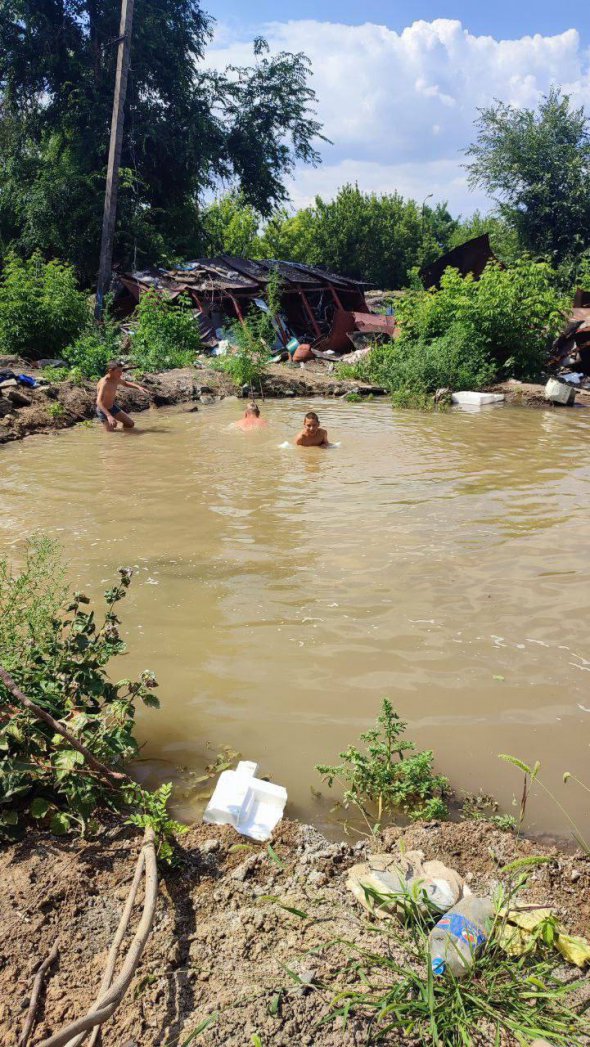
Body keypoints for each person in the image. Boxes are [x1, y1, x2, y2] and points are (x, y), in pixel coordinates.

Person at [96, 361, 148, 431]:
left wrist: (138, 387)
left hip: (112, 407)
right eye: (118, 371)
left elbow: (125, 383)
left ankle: (125, 436)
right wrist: (109, 416)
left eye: (121, 371)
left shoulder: (116, 379)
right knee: (111, 434)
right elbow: (98, 402)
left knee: (130, 424)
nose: (121, 373)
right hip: (103, 410)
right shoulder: (104, 382)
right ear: (110, 371)